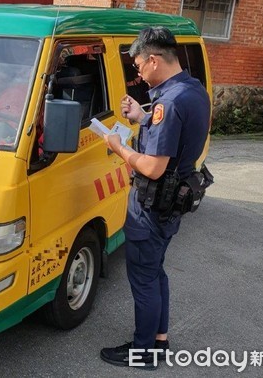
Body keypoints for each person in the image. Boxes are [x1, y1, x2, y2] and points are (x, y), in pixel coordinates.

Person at [100, 27, 211, 369]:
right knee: (156, 271)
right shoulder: (192, 91)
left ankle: (143, 351)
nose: (137, 72)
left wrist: (118, 147)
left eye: (138, 65)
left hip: (153, 206)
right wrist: (144, 118)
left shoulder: (169, 101)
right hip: (172, 203)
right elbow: (177, 139)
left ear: (153, 59)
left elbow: (153, 167)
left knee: (144, 278)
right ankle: (159, 340)